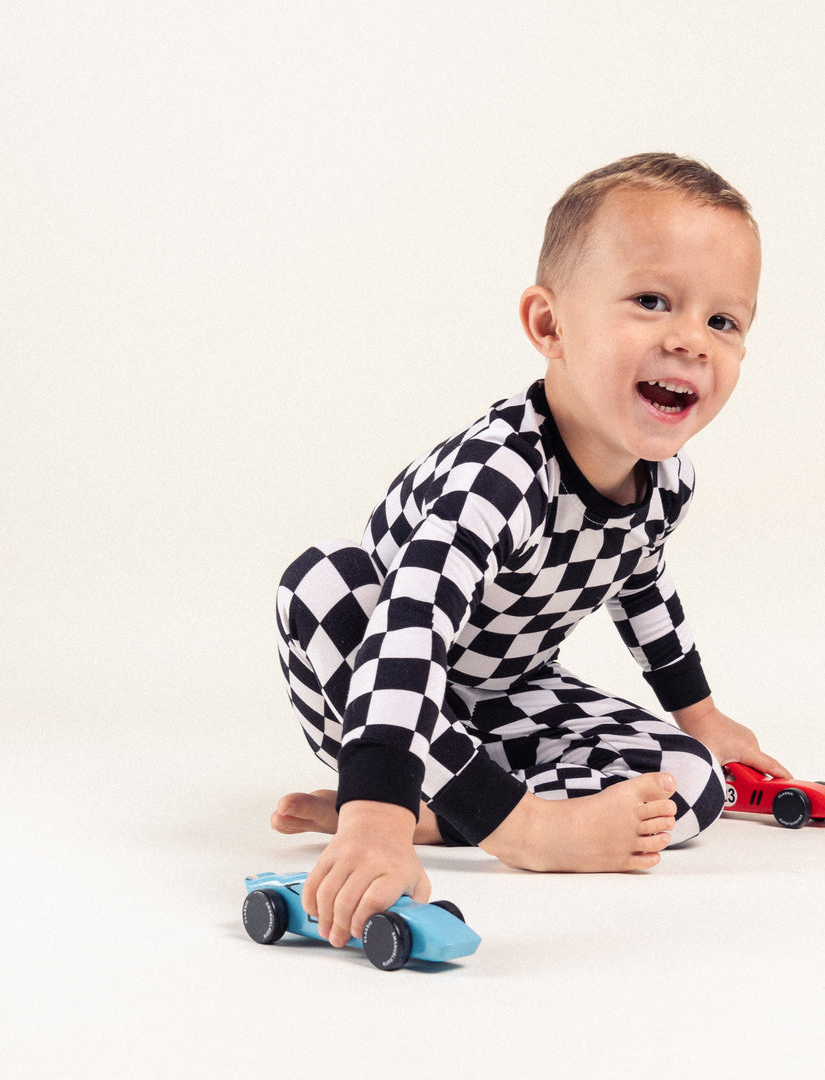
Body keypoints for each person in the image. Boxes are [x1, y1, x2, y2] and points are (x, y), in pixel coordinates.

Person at [272, 152, 791, 948]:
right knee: (323, 581)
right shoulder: (502, 473)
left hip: (507, 693)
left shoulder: (667, 479)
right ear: (549, 326)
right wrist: (372, 814)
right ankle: (483, 820)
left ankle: (443, 816)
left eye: (723, 321)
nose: (692, 340)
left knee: (690, 785)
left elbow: (641, 583)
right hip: (385, 689)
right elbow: (412, 626)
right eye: (652, 302)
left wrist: (704, 716)